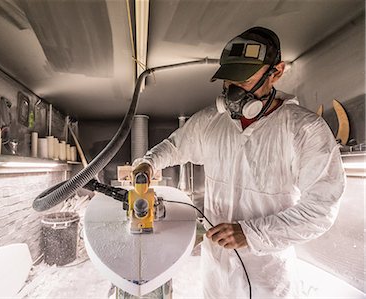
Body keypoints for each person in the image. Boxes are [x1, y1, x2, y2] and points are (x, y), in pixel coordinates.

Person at [132, 27, 345, 298]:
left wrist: (251, 234)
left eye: (243, 80)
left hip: (267, 278)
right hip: (216, 274)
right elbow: (174, 147)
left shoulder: (304, 129)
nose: (232, 91)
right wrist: (148, 164)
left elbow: (321, 209)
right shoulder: (211, 122)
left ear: (276, 72)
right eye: (228, 80)